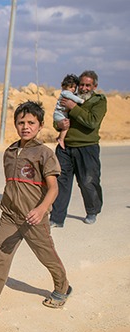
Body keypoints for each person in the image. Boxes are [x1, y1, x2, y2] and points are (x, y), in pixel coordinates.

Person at [0, 101, 71, 322]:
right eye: (21, 122)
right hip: (9, 216)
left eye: (31, 122)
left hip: (34, 218)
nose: (26, 126)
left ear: (40, 125)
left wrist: (42, 210)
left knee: (47, 256)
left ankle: (63, 287)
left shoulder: (44, 153)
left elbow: (54, 188)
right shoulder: (10, 151)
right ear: (15, 124)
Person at [50, 70, 107, 227]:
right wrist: (59, 125)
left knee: (88, 182)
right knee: (61, 182)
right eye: (81, 84)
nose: (84, 88)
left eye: (88, 85)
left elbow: (92, 122)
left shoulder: (98, 101)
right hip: (65, 147)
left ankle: (92, 211)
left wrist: (73, 107)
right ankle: (56, 218)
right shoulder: (68, 96)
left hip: (87, 148)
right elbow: (58, 117)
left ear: (94, 86)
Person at [53, 74, 84, 149]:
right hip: (59, 114)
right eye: (71, 87)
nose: (73, 89)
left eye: (74, 87)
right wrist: (81, 101)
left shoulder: (66, 92)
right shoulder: (66, 93)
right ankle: (61, 139)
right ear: (64, 86)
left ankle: (60, 137)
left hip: (60, 114)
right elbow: (73, 98)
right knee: (66, 126)